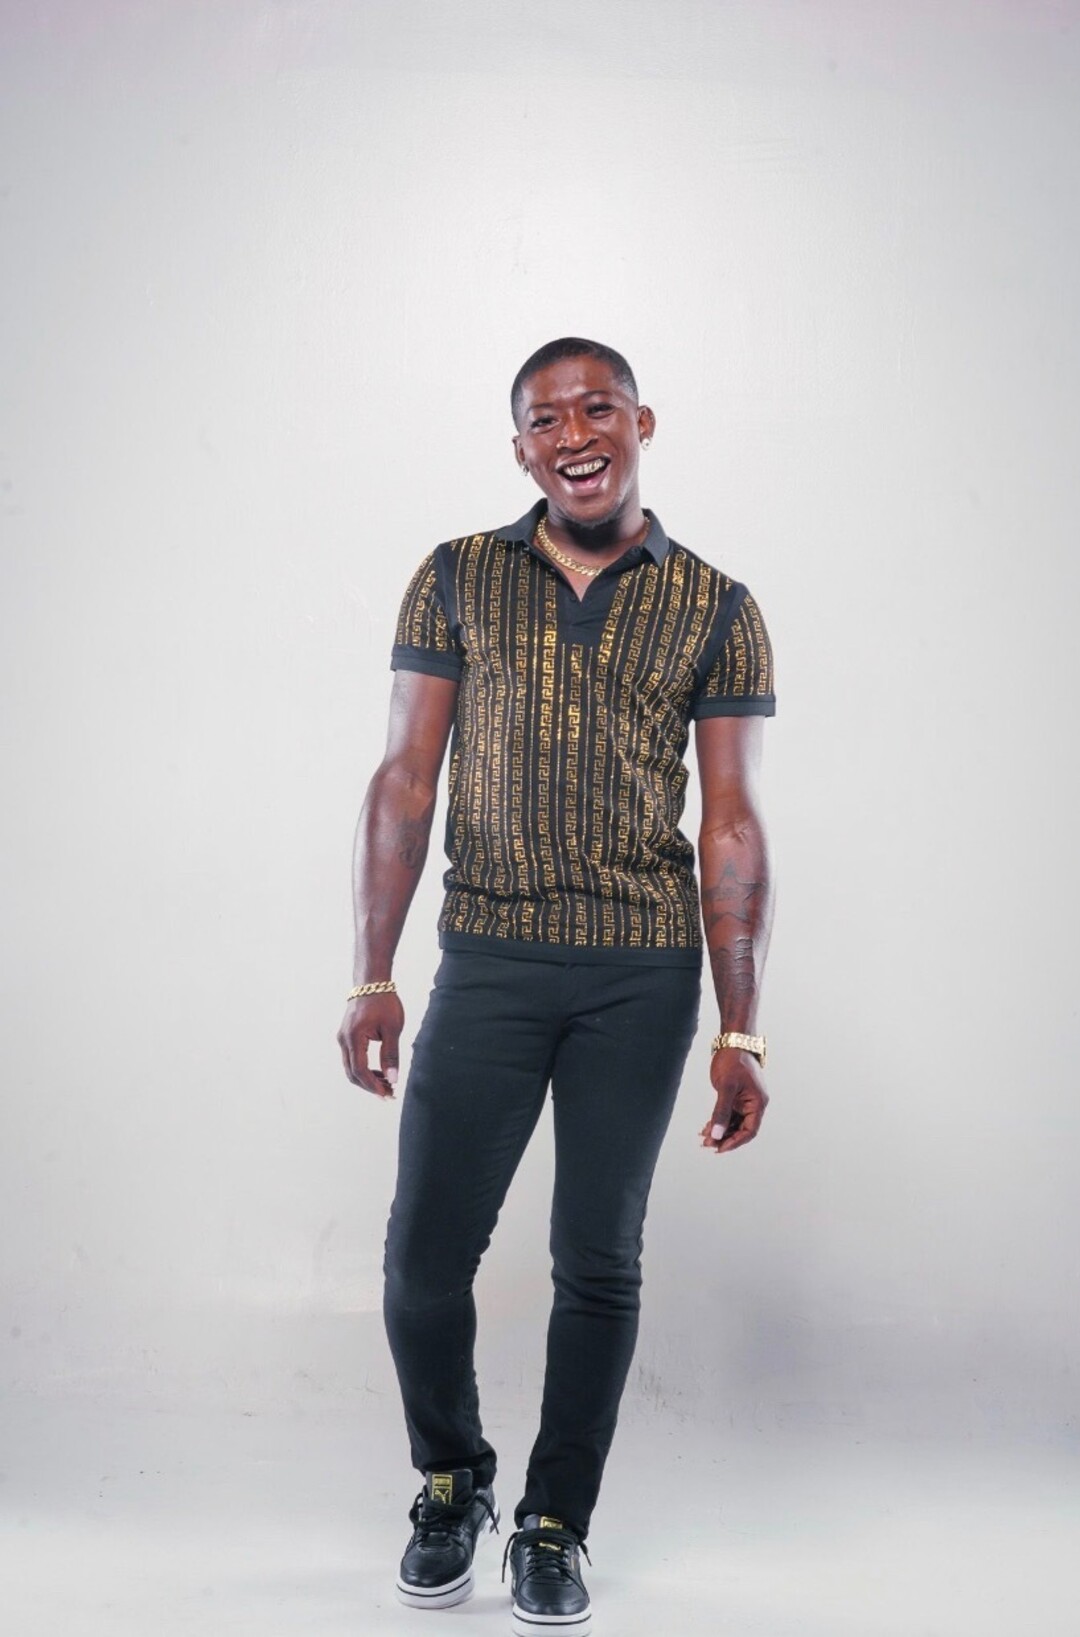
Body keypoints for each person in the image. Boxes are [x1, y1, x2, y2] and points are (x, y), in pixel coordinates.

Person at [337, 337, 776, 1636]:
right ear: (520, 447)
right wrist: (373, 970)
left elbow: (734, 823)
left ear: (643, 421)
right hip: (489, 955)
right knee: (424, 1256)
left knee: (597, 1258)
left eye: (598, 408)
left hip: (642, 972)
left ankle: (554, 1521)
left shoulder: (715, 604)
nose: (574, 433)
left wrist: (742, 1027)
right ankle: (450, 1479)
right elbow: (404, 780)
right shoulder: (457, 576)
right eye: (546, 418)